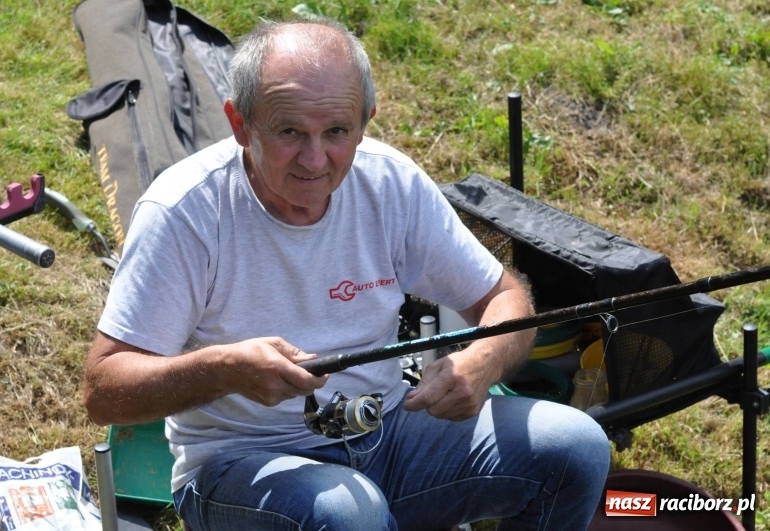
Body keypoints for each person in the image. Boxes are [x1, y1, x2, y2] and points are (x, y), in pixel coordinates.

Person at [84, 17, 611, 531]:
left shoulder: (390, 183)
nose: (315, 159)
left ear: (366, 119)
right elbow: (104, 389)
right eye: (289, 131)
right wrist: (224, 369)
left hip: (387, 434)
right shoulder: (185, 212)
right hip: (236, 465)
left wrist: (483, 361)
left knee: (576, 448)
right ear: (239, 123)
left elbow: (505, 295)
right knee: (347, 512)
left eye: (337, 131)